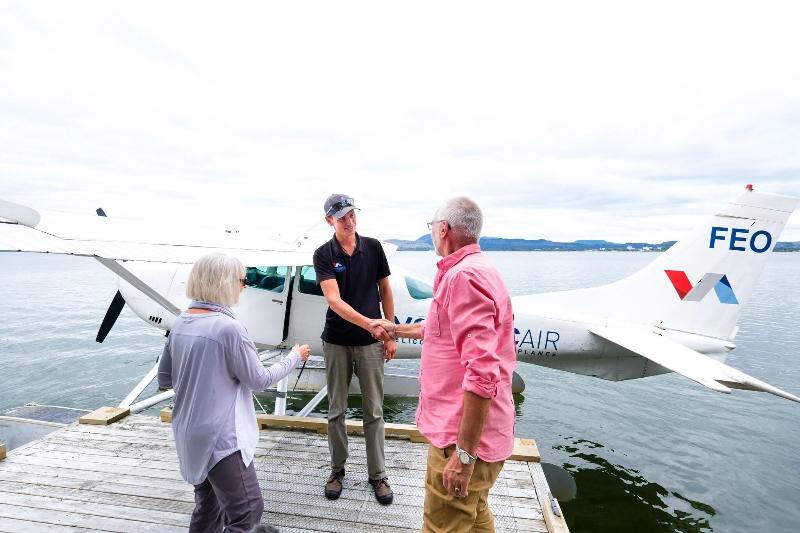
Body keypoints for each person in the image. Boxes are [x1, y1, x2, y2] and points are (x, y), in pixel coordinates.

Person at [371, 197, 516, 532]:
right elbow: (439, 330)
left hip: (461, 439)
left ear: (443, 229)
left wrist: (464, 458)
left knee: (442, 524)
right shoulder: (480, 270)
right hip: (481, 435)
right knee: (475, 514)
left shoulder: (462, 278)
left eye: (431, 227)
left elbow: (482, 374)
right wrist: (395, 328)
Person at [158, 253, 310, 533]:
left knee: (208, 508)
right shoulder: (229, 328)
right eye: (243, 279)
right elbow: (260, 380)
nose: (245, 286)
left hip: (188, 432)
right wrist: (293, 357)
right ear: (224, 283)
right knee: (247, 512)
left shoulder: (180, 324)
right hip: (221, 439)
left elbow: (165, 378)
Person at [313, 193, 397, 505]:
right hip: (336, 341)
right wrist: (370, 324)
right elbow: (333, 300)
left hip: (372, 344)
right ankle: (337, 471)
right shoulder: (323, 254)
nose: (349, 221)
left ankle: (378, 475)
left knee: (373, 411)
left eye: (352, 214)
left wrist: (388, 332)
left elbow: (385, 290)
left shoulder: (373, 247)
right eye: (342, 217)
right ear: (329, 221)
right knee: (337, 410)